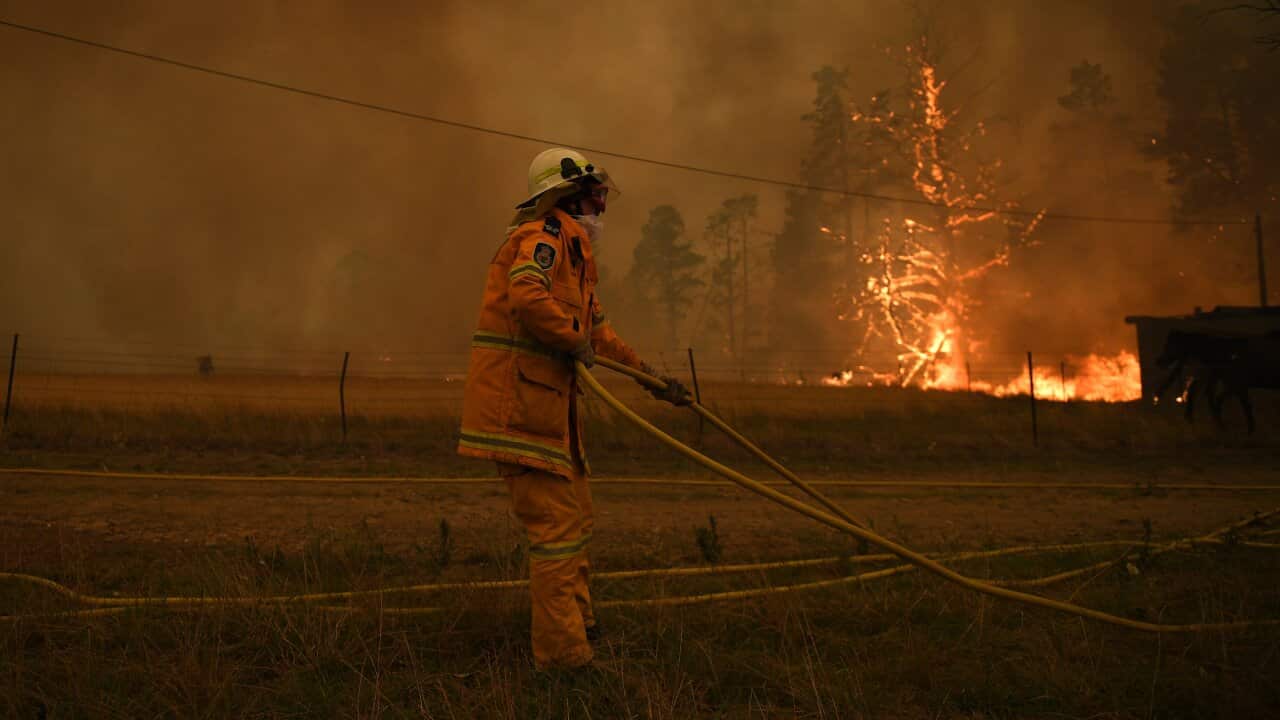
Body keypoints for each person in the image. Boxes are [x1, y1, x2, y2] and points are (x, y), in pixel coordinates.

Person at [458, 148, 689, 669]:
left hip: (549, 416)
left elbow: (600, 334)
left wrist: (653, 380)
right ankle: (565, 661)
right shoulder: (543, 239)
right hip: (519, 412)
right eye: (596, 197)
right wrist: (571, 340)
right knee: (557, 533)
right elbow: (527, 297)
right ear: (569, 197)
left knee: (577, 521)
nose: (602, 207)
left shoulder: (578, 259)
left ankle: (581, 627)